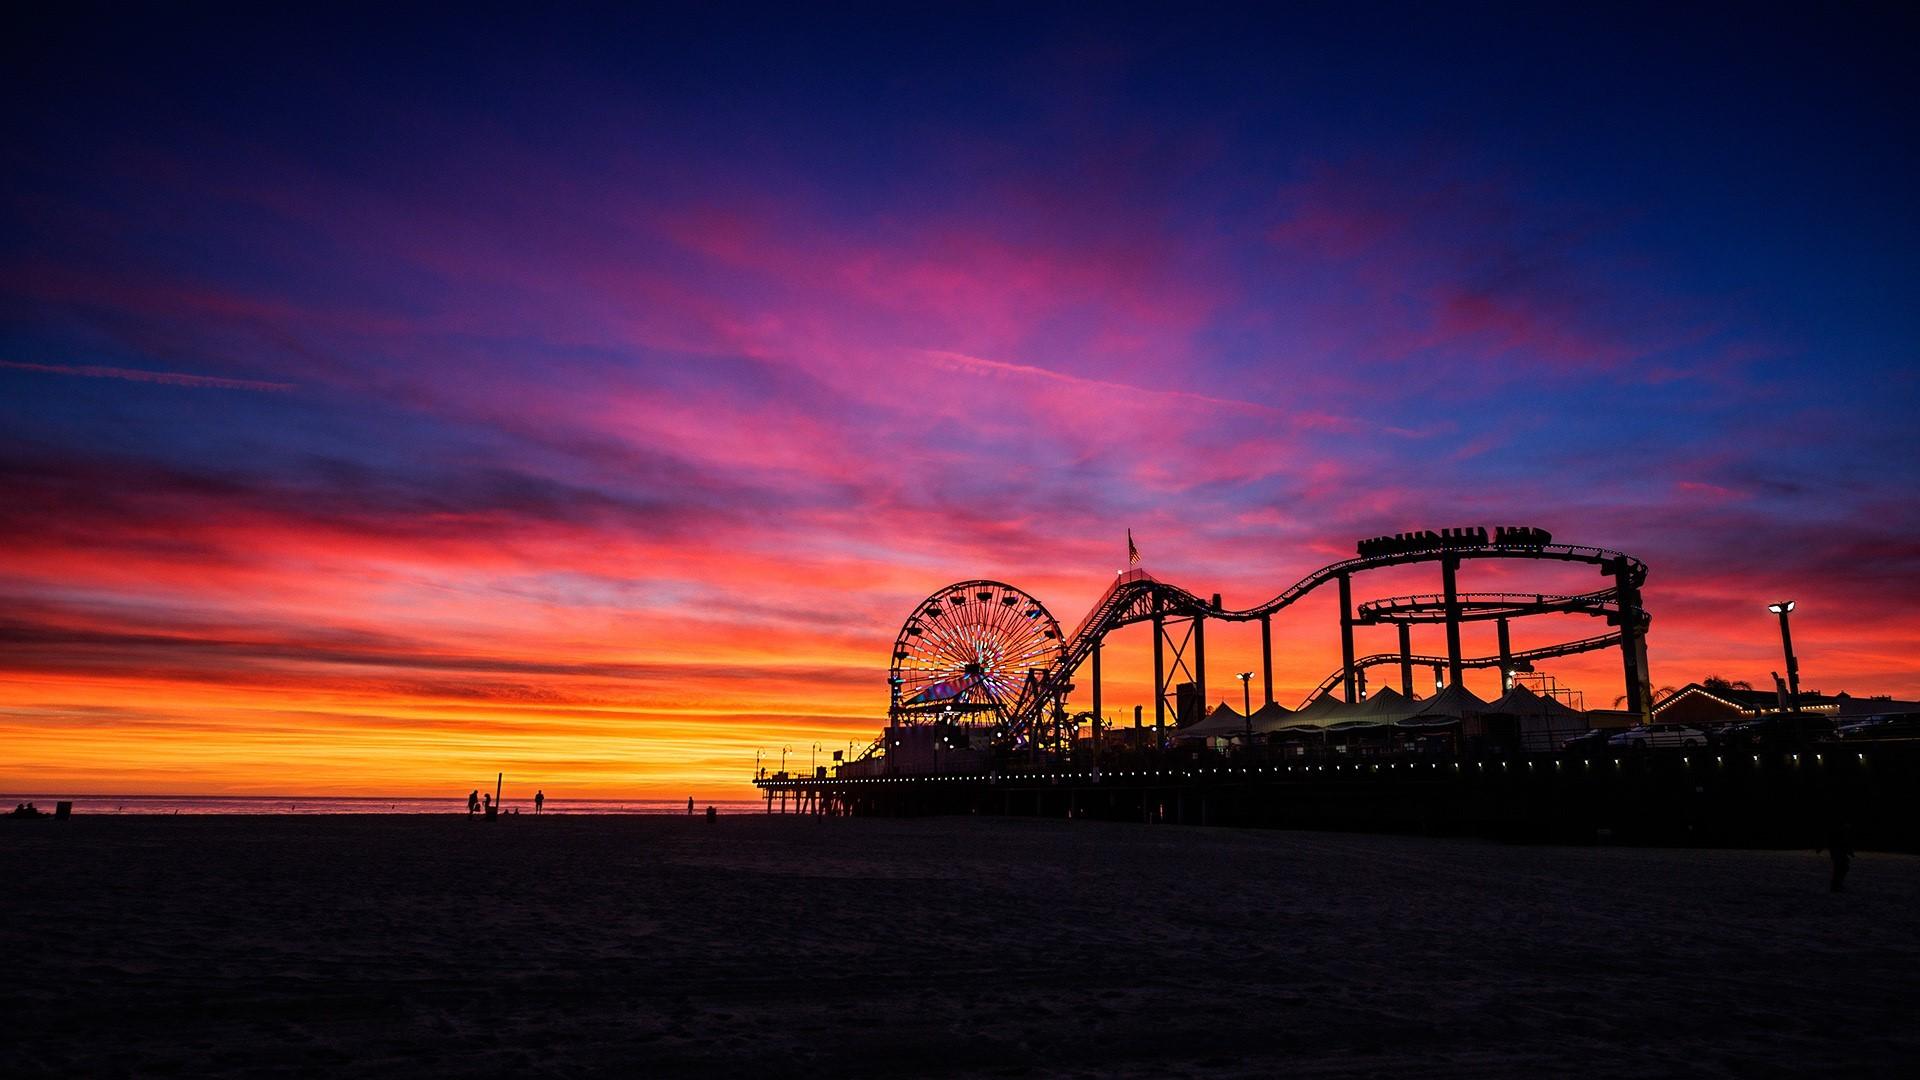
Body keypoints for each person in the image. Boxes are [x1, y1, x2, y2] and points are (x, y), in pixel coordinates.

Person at [1817, 818, 1854, 892]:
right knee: (1839, 868)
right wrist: (1820, 848)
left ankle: (1837, 885)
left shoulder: (1844, 832)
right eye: (1847, 826)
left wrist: (1850, 852)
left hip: (1840, 852)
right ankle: (1836, 886)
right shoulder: (1838, 832)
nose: (1848, 827)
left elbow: (1846, 843)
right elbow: (1829, 840)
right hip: (1837, 852)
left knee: (1843, 868)